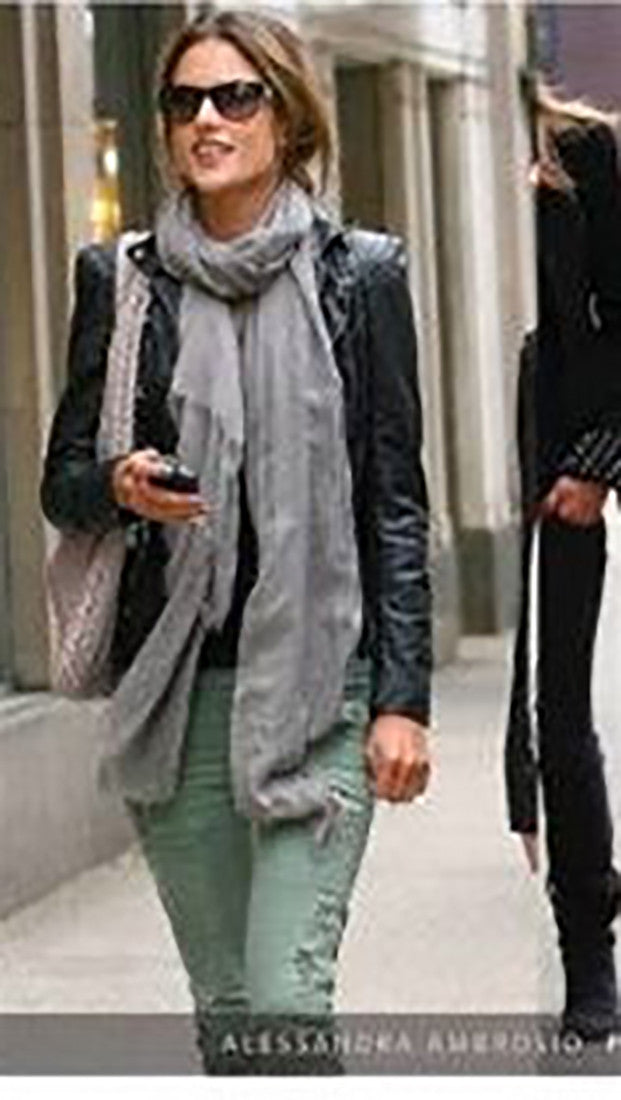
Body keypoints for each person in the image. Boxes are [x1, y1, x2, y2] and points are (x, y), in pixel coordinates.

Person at [40, 8, 432, 1074]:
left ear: (286, 117)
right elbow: (62, 483)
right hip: (178, 700)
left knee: (285, 1002)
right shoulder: (121, 279)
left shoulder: (363, 275)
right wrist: (117, 484)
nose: (206, 119)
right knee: (228, 1015)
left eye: (234, 96)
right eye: (184, 102)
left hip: (324, 688)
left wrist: (403, 700)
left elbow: (395, 501)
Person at [506, 75, 621, 1042]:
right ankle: (589, 954)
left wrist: (597, 461)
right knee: (554, 713)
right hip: (536, 462)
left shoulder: (582, 153)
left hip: (584, 462)